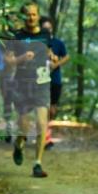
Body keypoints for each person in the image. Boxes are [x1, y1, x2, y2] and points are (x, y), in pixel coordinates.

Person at [4, 2, 53, 178]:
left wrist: (52, 57)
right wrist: (22, 58)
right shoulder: (16, 37)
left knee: (41, 124)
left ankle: (37, 164)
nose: (31, 18)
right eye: (27, 15)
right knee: (24, 126)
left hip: (41, 83)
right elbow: (8, 61)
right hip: (22, 84)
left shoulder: (46, 34)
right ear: (23, 17)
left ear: (38, 16)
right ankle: (19, 144)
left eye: (34, 14)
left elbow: (48, 52)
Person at [41, 16, 69, 149]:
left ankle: (45, 134)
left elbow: (67, 56)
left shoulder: (58, 43)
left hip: (55, 80)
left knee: (51, 110)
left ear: (52, 28)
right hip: (40, 80)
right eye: (44, 28)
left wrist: (56, 64)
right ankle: (45, 138)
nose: (47, 30)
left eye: (49, 28)